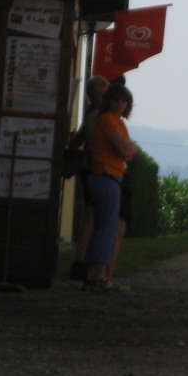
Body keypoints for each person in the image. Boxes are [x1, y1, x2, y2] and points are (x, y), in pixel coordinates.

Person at [85, 83, 136, 291]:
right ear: (109, 100)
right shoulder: (108, 120)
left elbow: (126, 151)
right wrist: (131, 150)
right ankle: (100, 275)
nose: (120, 103)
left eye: (124, 100)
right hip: (106, 176)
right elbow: (125, 151)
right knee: (108, 229)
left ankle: (93, 275)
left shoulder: (116, 121)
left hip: (108, 177)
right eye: (116, 99)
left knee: (103, 227)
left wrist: (129, 150)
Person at [67, 75, 110, 281]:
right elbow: (96, 139)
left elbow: (80, 138)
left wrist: (72, 148)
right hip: (96, 168)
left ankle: (82, 261)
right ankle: (83, 261)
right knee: (92, 217)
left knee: (91, 216)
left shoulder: (90, 113)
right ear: (99, 93)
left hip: (90, 168)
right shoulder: (98, 115)